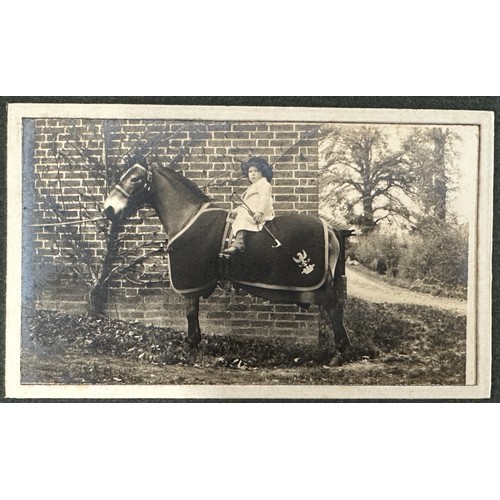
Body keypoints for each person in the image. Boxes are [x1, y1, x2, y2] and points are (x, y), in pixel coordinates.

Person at [224, 157, 275, 256]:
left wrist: (260, 212)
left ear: (263, 173)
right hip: (251, 210)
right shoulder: (253, 186)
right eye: (250, 171)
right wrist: (237, 210)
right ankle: (230, 238)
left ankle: (239, 242)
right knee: (234, 217)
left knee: (243, 217)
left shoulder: (263, 184)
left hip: (260, 211)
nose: (253, 174)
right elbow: (247, 203)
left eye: (256, 171)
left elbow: (265, 198)